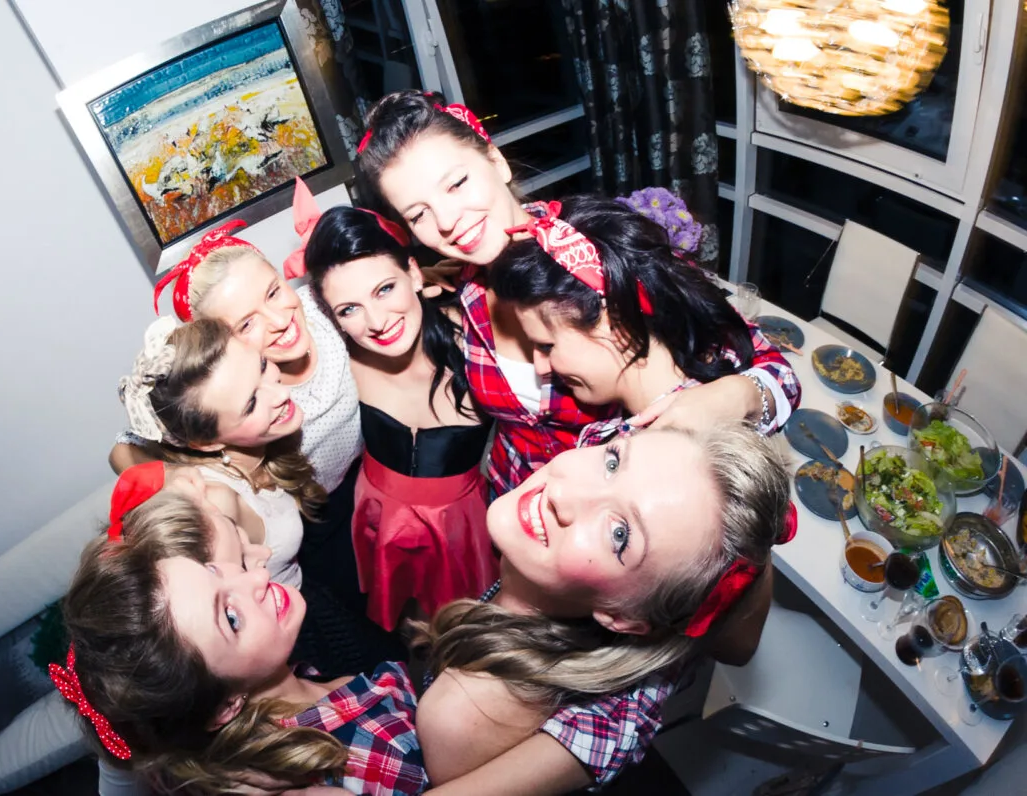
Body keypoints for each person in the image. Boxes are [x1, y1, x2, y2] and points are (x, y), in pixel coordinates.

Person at [355, 90, 801, 495]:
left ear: (495, 162)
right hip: (518, 499)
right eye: (419, 214)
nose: (448, 219)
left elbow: (777, 372)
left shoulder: (596, 252)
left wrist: (727, 399)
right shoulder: (467, 288)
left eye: (456, 184)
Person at [412, 423, 795, 793]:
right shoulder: (639, 621)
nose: (565, 495)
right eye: (612, 462)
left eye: (619, 534)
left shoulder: (460, 716)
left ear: (624, 618)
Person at [56, 478, 428, 796]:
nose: (258, 577)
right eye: (231, 618)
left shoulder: (287, 671)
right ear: (225, 707)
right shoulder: (336, 768)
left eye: (213, 569)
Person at [110, 219, 368, 620]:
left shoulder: (322, 312)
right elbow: (123, 450)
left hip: (367, 477)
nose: (280, 320)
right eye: (247, 324)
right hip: (312, 518)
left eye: (273, 292)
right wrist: (177, 481)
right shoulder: (238, 398)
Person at [118, 316, 402, 676]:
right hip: (296, 635)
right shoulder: (216, 503)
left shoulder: (254, 448)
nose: (281, 393)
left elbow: (123, 453)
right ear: (208, 443)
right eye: (251, 404)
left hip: (313, 592)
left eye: (263, 366)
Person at [301, 201, 497, 631]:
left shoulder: (477, 341)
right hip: (376, 520)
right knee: (401, 631)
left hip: (460, 529)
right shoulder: (338, 361)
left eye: (384, 289)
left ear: (413, 273)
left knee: (465, 632)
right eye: (348, 309)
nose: (376, 321)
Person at [489, 193, 796, 444]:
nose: (541, 367)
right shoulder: (682, 338)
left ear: (615, 325)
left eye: (545, 346)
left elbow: (779, 372)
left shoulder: (657, 454)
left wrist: (742, 395)